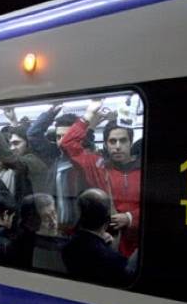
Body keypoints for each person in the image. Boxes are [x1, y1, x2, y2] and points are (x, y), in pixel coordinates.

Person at [59, 100, 141, 257]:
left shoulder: (145, 170)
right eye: (112, 141)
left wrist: (130, 218)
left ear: (130, 142)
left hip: (138, 247)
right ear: (106, 144)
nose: (117, 146)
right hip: (106, 247)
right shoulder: (98, 167)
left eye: (123, 140)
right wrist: (88, 115)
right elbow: (68, 144)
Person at [62, 188, 133, 287]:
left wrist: (100, 243)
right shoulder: (114, 260)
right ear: (107, 221)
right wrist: (106, 249)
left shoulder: (66, 247)